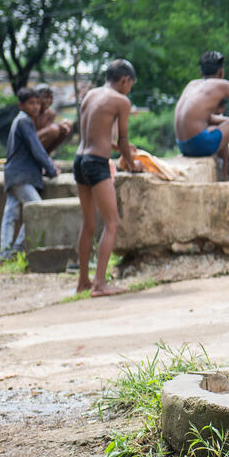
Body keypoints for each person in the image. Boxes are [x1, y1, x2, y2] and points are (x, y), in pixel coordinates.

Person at [73, 60, 144, 295]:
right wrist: (132, 164)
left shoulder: (91, 95)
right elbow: (123, 140)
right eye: (130, 85)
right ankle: (100, 284)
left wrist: (116, 147)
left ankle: (83, 281)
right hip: (96, 164)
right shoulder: (121, 101)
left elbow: (93, 134)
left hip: (79, 160)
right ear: (125, 80)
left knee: (89, 223)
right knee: (112, 223)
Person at [174, 51, 229, 179]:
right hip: (199, 145)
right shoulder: (222, 85)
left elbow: (206, 119)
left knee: (219, 128)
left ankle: (223, 175)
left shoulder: (192, 84)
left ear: (201, 73)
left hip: (182, 145)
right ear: (221, 73)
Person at [0, 88, 59, 260]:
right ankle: (17, 249)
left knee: (10, 214)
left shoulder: (20, 121)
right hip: (21, 175)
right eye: (31, 103)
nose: (36, 107)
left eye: (37, 103)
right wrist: (51, 170)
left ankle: (5, 253)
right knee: (37, 209)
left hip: (14, 174)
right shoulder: (25, 121)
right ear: (21, 105)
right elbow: (37, 148)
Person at [32, 84, 72, 155]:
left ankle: (46, 155)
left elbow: (49, 136)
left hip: (41, 144)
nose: (48, 101)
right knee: (54, 129)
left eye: (51, 98)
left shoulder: (51, 113)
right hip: (29, 143)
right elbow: (29, 136)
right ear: (37, 98)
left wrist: (59, 127)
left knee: (67, 124)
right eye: (45, 97)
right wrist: (52, 128)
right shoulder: (32, 112)